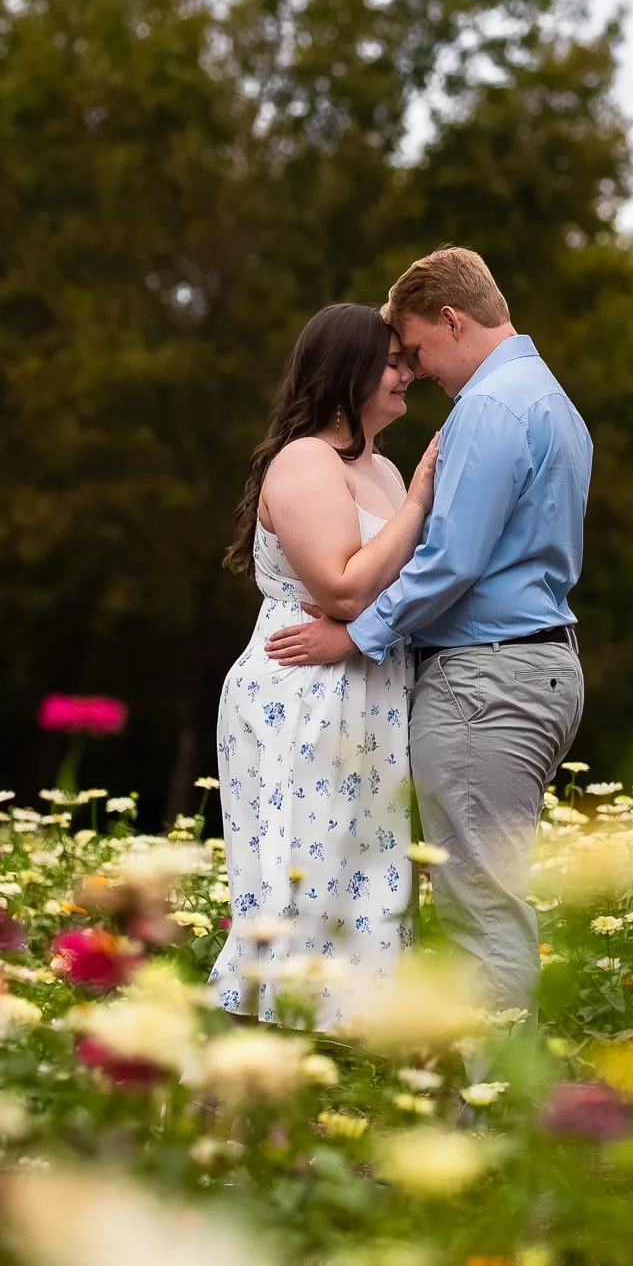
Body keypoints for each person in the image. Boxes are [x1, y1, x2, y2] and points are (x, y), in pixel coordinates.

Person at [267, 248, 590, 1022]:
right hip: (535, 669)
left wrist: (356, 636)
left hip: (485, 681)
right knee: (488, 898)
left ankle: (494, 1112)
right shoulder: (554, 403)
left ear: (452, 319)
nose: (417, 370)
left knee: (479, 911)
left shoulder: (488, 407)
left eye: (416, 349)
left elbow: (451, 563)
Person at [211, 304, 438, 1029]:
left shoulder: (383, 469)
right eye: (393, 362)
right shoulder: (306, 460)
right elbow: (342, 586)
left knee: (365, 884)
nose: (409, 375)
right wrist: (425, 498)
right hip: (302, 692)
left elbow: (402, 588)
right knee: (298, 886)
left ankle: (335, 1076)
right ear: (348, 372)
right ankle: (246, 1086)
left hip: (367, 690)